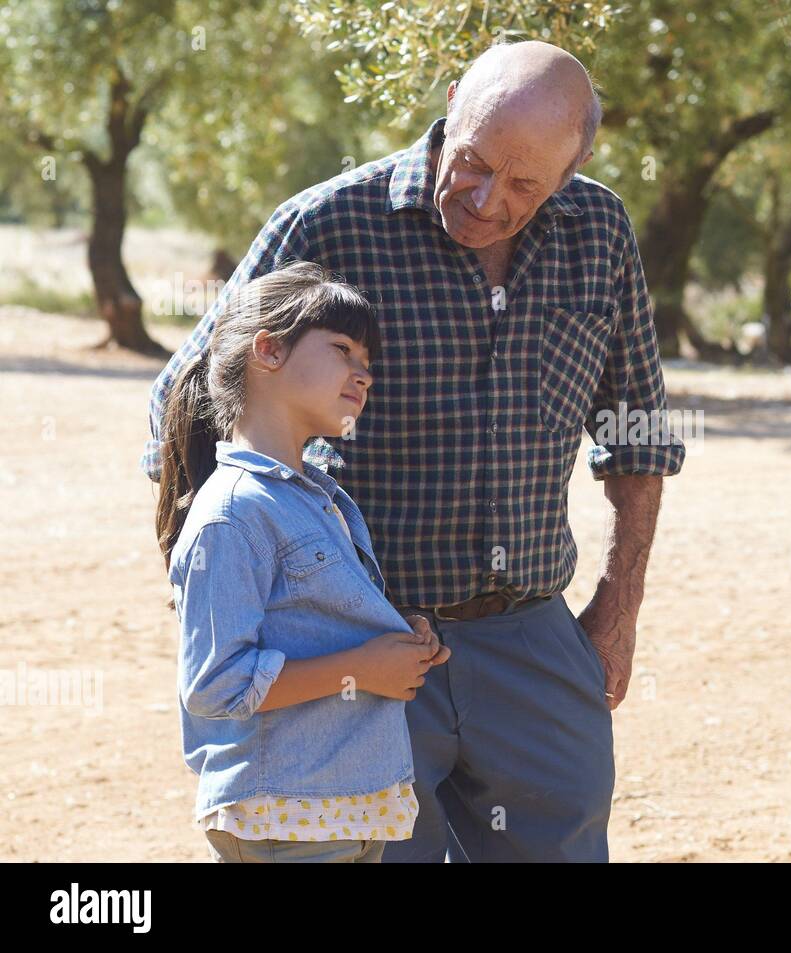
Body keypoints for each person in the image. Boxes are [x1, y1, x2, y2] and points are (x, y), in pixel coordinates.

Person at [143, 40, 684, 862]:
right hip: (365, 649)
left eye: (524, 184)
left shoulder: (600, 231)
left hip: (536, 644)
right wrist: (219, 578)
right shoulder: (328, 221)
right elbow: (185, 399)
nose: (485, 197)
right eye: (473, 162)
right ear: (454, 97)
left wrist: (619, 606)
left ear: (571, 172)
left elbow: (638, 429)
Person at [157, 261, 448, 863]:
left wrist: (395, 640)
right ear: (267, 351)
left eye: (367, 361)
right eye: (343, 348)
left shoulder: (314, 495)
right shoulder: (233, 513)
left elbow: (315, 623)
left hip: (341, 808)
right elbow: (216, 684)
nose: (363, 374)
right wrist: (362, 669)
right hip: (286, 817)